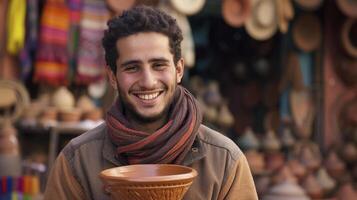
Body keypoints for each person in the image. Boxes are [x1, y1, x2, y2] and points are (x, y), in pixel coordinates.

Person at [44, 5, 258, 200]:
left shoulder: (223, 161)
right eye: (132, 67)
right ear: (112, 76)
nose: (147, 82)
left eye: (159, 65)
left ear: (179, 70)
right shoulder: (78, 162)